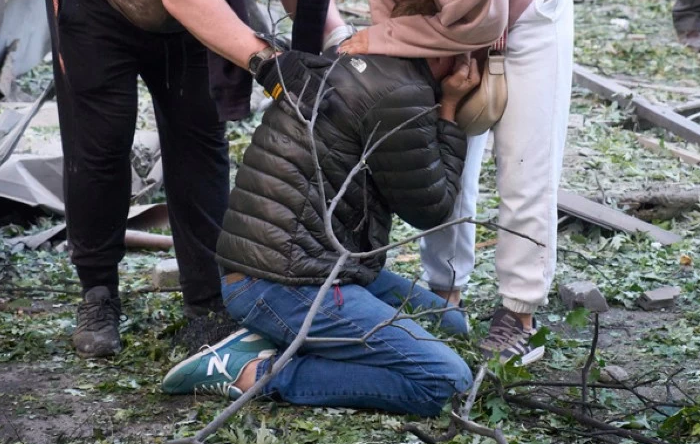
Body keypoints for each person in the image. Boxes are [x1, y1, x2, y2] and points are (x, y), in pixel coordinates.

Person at [42, 0, 352, 359]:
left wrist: (331, 45)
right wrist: (265, 61)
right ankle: (99, 292)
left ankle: (206, 303)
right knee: (101, 142)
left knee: (199, 142)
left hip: (190, 6)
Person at [277, 0, 573, 365]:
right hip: (440, 16)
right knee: (442, 145)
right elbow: (388, 10)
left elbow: (485, 20)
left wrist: (388, 37)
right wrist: (403, 56)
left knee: (524, 163)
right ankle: (445, 292)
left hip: (523, 11)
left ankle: (519, 311)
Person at [161, 48, 476, 414]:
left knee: (452, 325)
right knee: (446, 381)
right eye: (473, 57)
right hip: (282, 282)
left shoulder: (357, 60)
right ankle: (252, 371)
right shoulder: (401, 92)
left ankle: (279, 337)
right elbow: (431, 207)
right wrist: (450, 111)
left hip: (313, 265)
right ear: (446, 54)